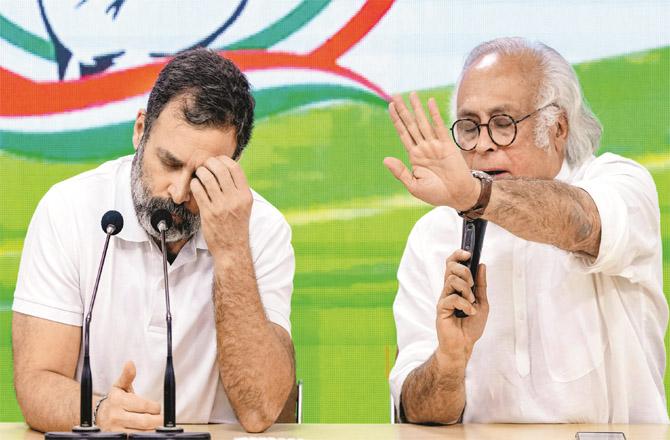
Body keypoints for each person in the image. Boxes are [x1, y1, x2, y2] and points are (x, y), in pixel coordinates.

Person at [12, 48, 296, 433]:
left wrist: (231, 252)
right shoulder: (67, 209)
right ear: (140, 130)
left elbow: (260, 409)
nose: (178, 192)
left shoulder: (261, 229)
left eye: (202, 175)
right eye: (170, 162)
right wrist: (98, 415)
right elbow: (37, 382)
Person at [386, 37, 669, 424]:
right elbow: (417, 413)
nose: (483, 145)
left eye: (503, 124)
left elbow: (583, 223)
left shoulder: (617, 183)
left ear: (557, 127)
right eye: (469, 127)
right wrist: (449, 363)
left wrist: (476, 194)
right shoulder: (432, 235)